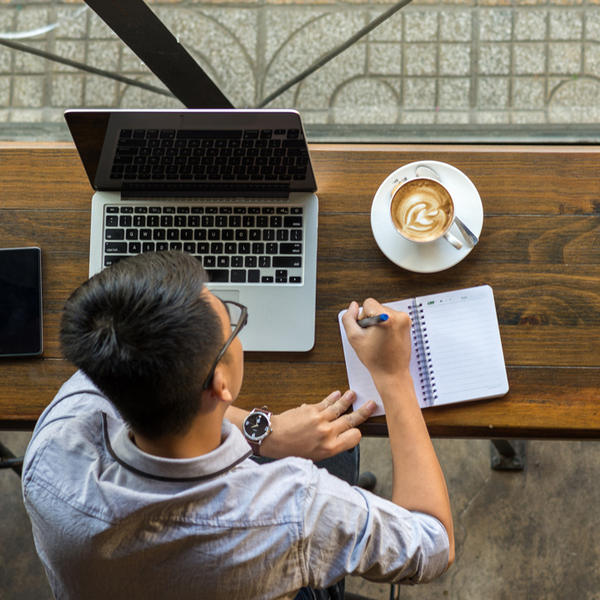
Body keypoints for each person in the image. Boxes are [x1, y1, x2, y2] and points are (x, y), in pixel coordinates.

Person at [22, 250, 454, 600]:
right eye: (233, 322)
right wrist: (394, 378)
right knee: (342, 454)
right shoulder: (294, 508)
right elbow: (433, 546)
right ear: (220, 383)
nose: (235, 326)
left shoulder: (54, 444)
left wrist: (263, 432)